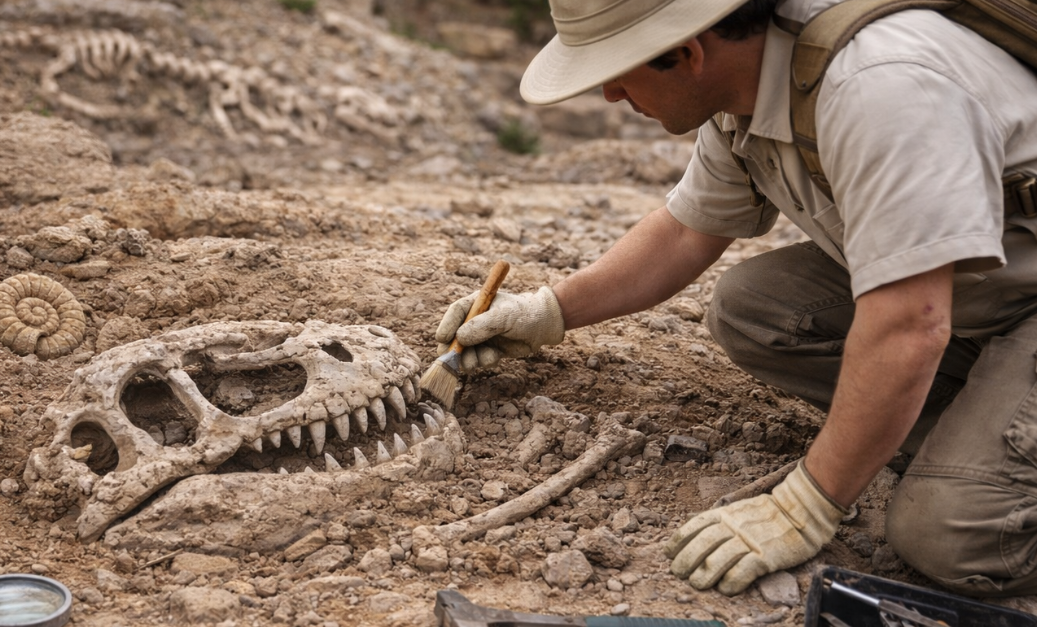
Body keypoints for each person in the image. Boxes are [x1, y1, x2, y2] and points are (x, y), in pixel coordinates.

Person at [435, 0, 1037, 597]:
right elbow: (685, 232)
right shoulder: (747, 88)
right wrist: (550, 312)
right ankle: (986, 432)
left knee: (952, 533)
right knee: (758, 308)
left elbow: (909, 325)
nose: (611, 96)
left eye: (617, 72)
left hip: (1016, 306)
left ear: (689, 52)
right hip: (994, 300)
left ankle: (988, 464)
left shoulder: (878, 88)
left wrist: (809, 502)